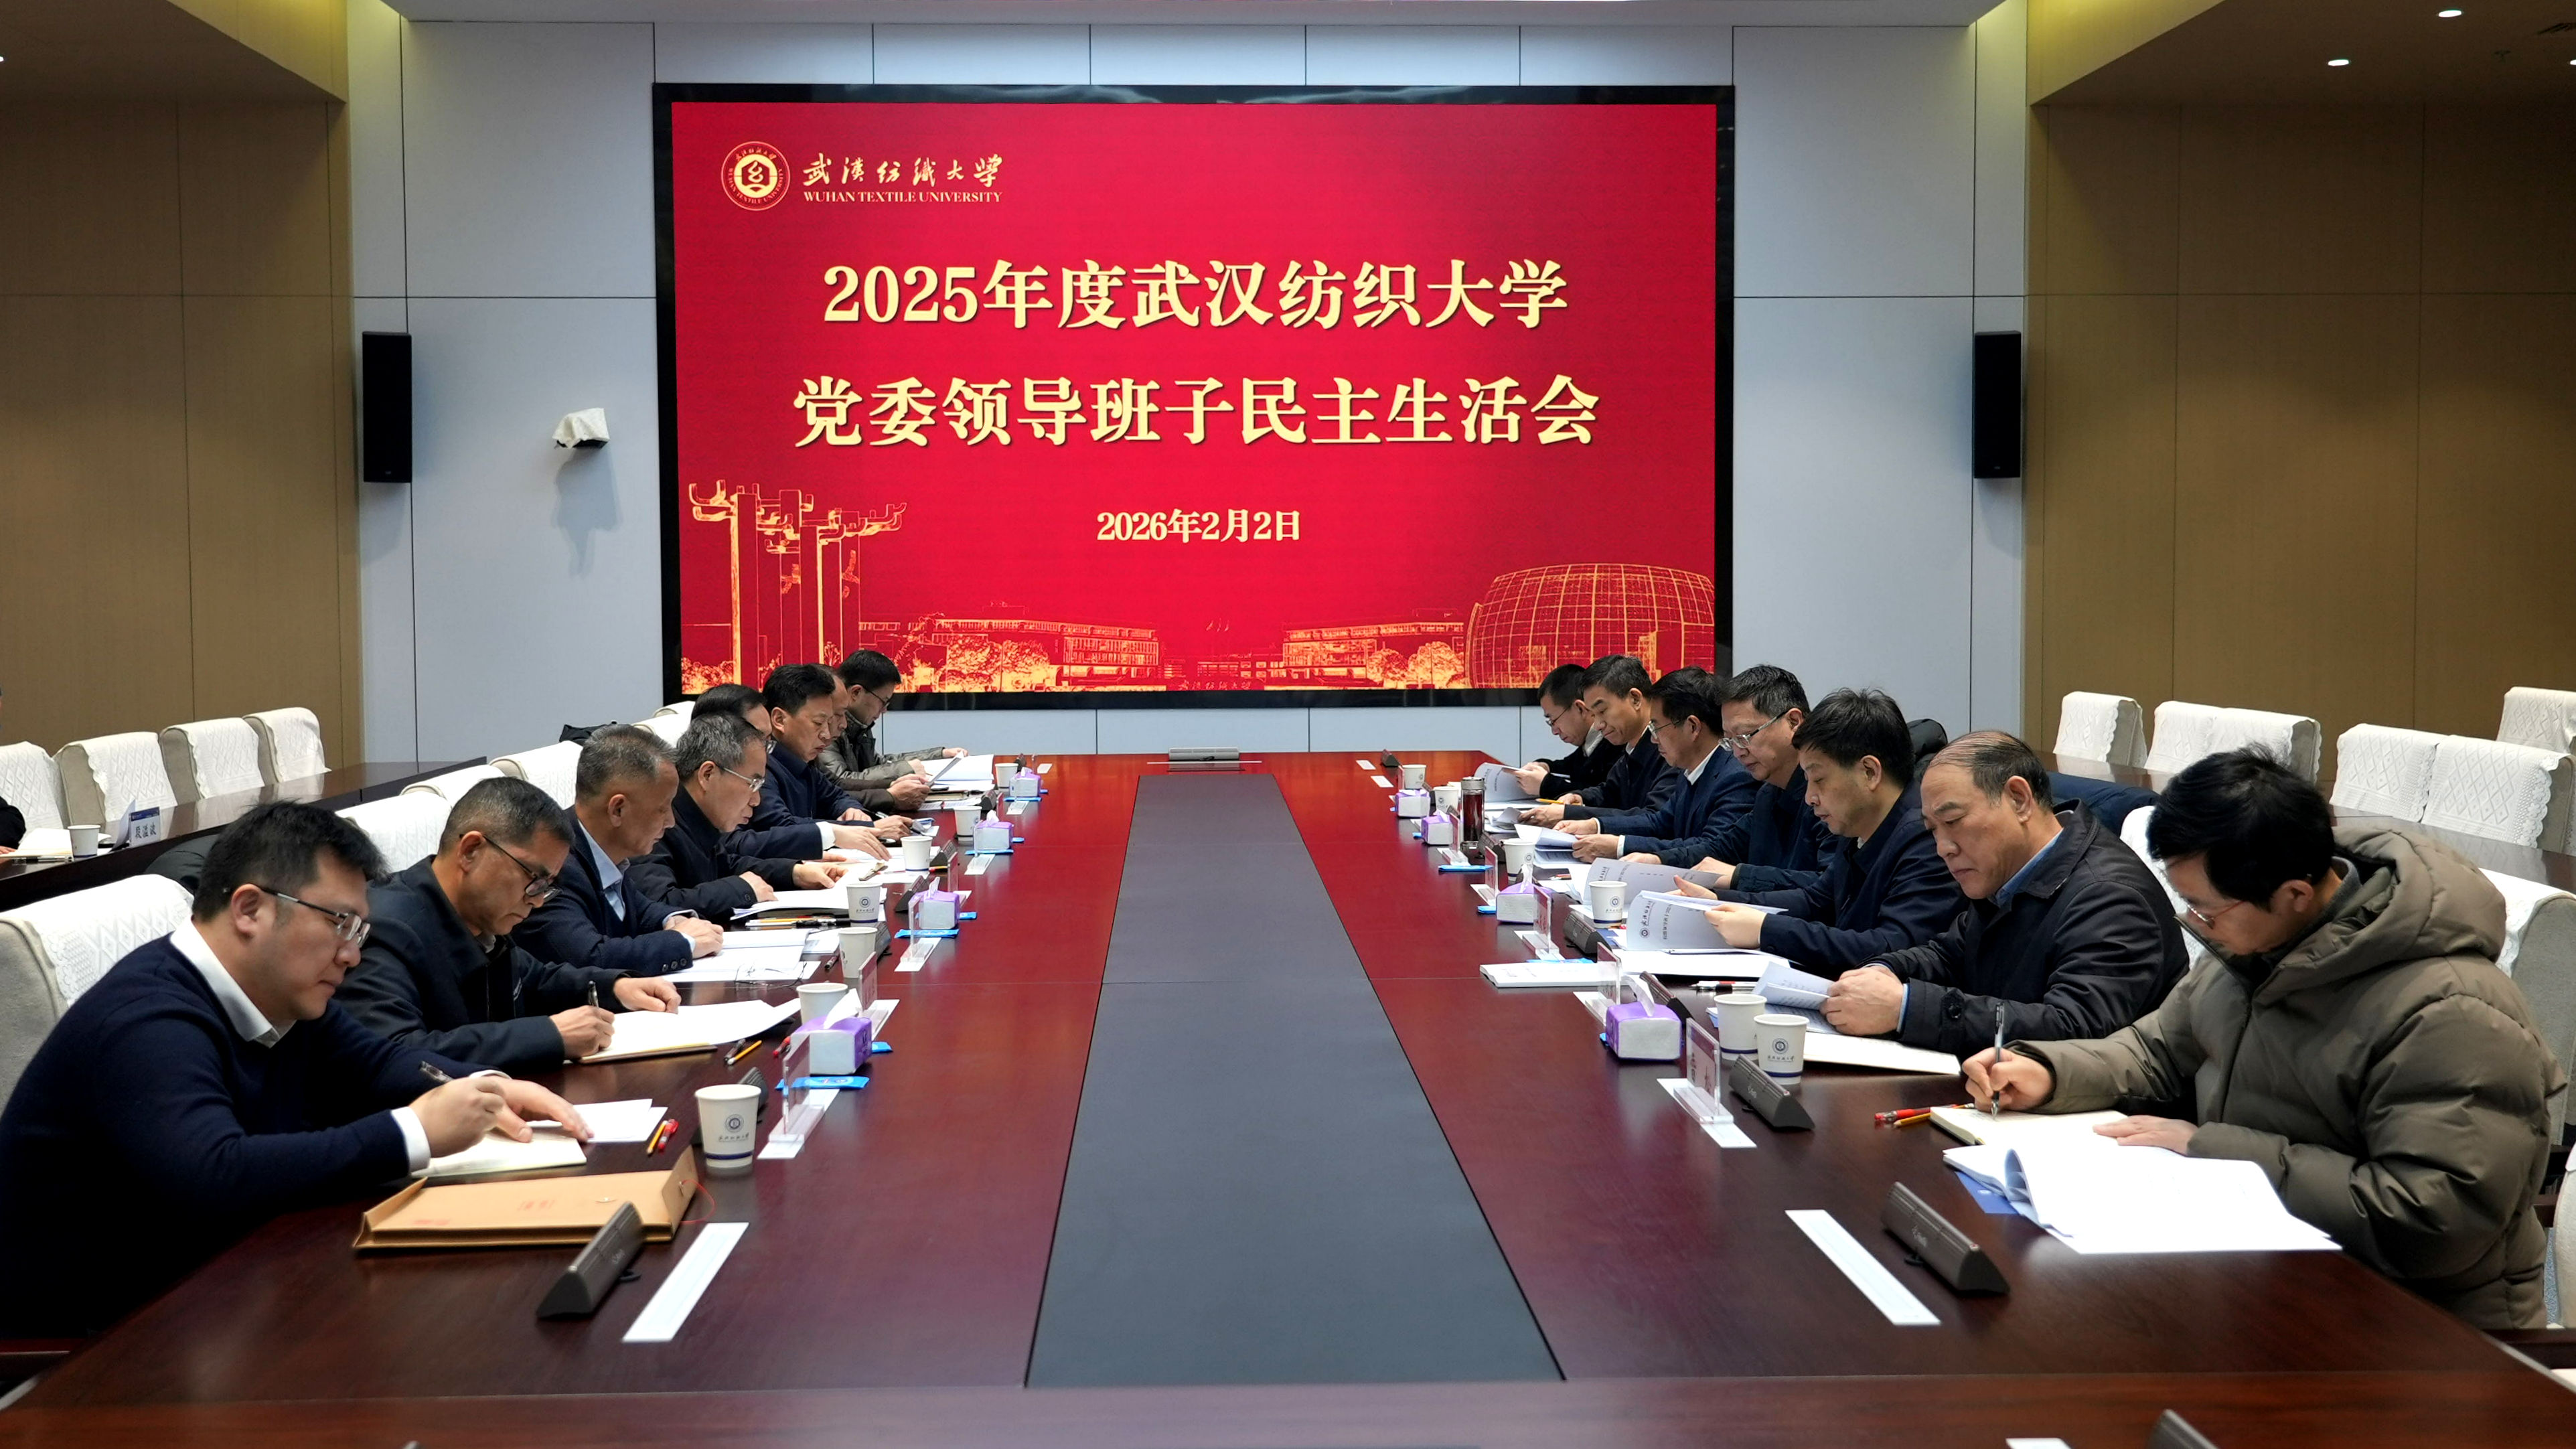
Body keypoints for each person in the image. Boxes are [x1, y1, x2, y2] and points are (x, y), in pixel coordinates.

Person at [1967, 751, 2565, 1330]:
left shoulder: (2452, 1013)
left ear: (2294, 895)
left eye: (2206, 910)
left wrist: (2215, 1152)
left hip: (2419, 1330)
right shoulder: (2259, 943)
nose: (2197, 925)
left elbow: (2433, 1219)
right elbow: (2157, 1049)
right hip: (2267, 1275)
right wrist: (2048, 1072)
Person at [0, 801, 592, 1337]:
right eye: (340, 924)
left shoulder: (282, 994)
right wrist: (413, 1132)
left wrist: (488, 1086)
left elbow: (378, 1062)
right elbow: (215, 1174)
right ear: (250, 909)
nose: (352, 954)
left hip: (221, 1289)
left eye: (359, 930)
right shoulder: (147, 1018)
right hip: (92, 1342)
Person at [1819, 731, 2186, 1055]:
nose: (1943, 848)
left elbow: (2074, 1029)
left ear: (2019, 799)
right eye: (1933, 830)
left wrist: (1906, 1008)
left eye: (1953, 822)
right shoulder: (2011, 870)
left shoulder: (2110, 898)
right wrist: (1883, 971)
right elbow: (1949, 955)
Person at [339, 777, 680, 1074]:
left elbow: (534, 980)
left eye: (548, 886)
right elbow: (395, 1053)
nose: (539, 900)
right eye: (534, 879)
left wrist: (615, 987)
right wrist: (549, 1035)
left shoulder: (480, 917)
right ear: (471, 850)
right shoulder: (384, 929)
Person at [1679, 688, 1959, 970]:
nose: (1809, 797)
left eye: (1819, 780)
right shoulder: (1857, 827)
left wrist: (1766, 930)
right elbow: (1816, 900)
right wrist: (1718, 901)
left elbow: (1891, 946)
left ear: (1870, 772)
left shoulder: (1925, 838)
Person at [512, 727, 725, 976]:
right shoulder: (552, 865)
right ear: (617, 810)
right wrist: (684, 942)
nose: (671, 822)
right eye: (662, 809)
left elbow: (637, 909)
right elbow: (589, 957)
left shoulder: (604, 850)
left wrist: (673, 920)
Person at [629, 711, 846, 925]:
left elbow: (727, 864)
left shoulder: (697, 815)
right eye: (753, 784)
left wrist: (794, 873)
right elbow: (659, 905)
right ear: (708, 775)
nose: (756, 801)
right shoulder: (656, 822)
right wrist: (742, 889)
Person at [1564, 668, 1758, 866]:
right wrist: (1596, 826)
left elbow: (1712, 849)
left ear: (1693, 727)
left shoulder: (1737, 777)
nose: (1654, 739)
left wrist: (1620, 847)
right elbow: (1660, 822)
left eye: (1657, 728)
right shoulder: (1690, 770)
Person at [722, 665, 897, 863]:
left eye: (829, 722)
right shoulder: (763, 765)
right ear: (779, 720)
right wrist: (852, 830)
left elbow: (836, 795)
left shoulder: (803, 760)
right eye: (819, 723)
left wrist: (852, 813)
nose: (827, 734)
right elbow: (777, 826)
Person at [1686, 664, 1825, 891]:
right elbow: (1721, 848)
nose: (1738, 752)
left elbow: (1829, 888)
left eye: (1745, 736)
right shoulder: (1768, 793)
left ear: (1794, 721)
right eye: (1730, 740)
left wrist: (1739, 876)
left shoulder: (1827, 794)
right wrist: (1657, 860)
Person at [1516, 656, 1675, 830]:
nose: (1598, 725)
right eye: (1594, 714)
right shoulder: (1630, 747)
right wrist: (1580, 797)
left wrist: (1575, 816)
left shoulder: (1671, 748)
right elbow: (1610, 792)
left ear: (1635, 699)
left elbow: (1656, 818)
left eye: (1602, 711)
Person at [822, 650, 963, 814]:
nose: (884, 710)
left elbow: (878, 764)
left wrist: (939, 755)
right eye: (883, 702)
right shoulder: (828, 726)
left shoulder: (860, 724)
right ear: (856, 692)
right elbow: (839, 781)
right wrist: (895, 786)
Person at [1511, 664, 1619, 800]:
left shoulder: (1615, 742)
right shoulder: (1589, 746)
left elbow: (1604, 796)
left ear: (1580, 709)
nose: (1555, 731)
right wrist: (1544, 766)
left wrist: (1546, 785)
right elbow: (1567, 767)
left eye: (1554, 720)